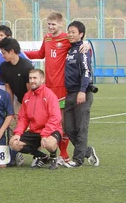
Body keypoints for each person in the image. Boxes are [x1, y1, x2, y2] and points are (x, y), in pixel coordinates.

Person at [24, 12, 90, 166]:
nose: (51, 27)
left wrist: (87, 43)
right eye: (48, 24)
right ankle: (74, 152)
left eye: (53, 24)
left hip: (62, 87)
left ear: (60, 24)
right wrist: (22, 54)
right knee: (50, 120)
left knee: (60, 121)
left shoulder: (67, 38)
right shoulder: (47, 37)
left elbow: (79, 44)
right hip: (47, 86)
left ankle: (64, 154)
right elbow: (40, 54)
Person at [9, 69, 63, 169]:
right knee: (14, 143)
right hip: (35, 131)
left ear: (42, 80)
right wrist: (18, 133)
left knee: (49, 143)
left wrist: (45, 134)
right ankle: (42, 156)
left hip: (51, 130)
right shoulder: (27, 96)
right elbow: (23, 118)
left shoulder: (50, 95)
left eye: (35, 78)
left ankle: (53, 158)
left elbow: (55, 117)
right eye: (30, 78)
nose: (32, 81)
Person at [64, 21, 99, 168]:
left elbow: (86, 72)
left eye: (73, 32)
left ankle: (78, 160)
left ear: (81, 34)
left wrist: (82, 91)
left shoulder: (82, 50)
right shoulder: (70, 49)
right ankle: (87, 151)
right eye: (69, 32)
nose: (70, 34)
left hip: (81, 93)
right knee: (67, 127)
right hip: (70, 94)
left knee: (81, 128)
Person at [0, 37, 34, 109]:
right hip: (18, 101)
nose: (2, 56)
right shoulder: (3, 67)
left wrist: (28, 108)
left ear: (11, 51)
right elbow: (8, 89)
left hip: (31, 101)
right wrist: (10, 108)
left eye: (4, 53)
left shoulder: (26, 66)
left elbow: (30, 90)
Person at [0, 25, 28, 90]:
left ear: (9, 37)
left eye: (1, 35)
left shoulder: (16, 52)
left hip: (13, 85)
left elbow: (29, 64)